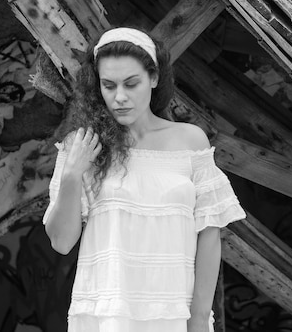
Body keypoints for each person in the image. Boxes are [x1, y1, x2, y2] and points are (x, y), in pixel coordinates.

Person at [42, 27, 246, 332]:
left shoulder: (190, 142)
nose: (119, 97)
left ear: (153, 78)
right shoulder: (83, 145)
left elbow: (209, 233)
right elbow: (61, 242)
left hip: (174, 314)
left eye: (131, 83)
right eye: (108, 86)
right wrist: (72, 174)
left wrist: (200, 317)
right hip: (106, 316)